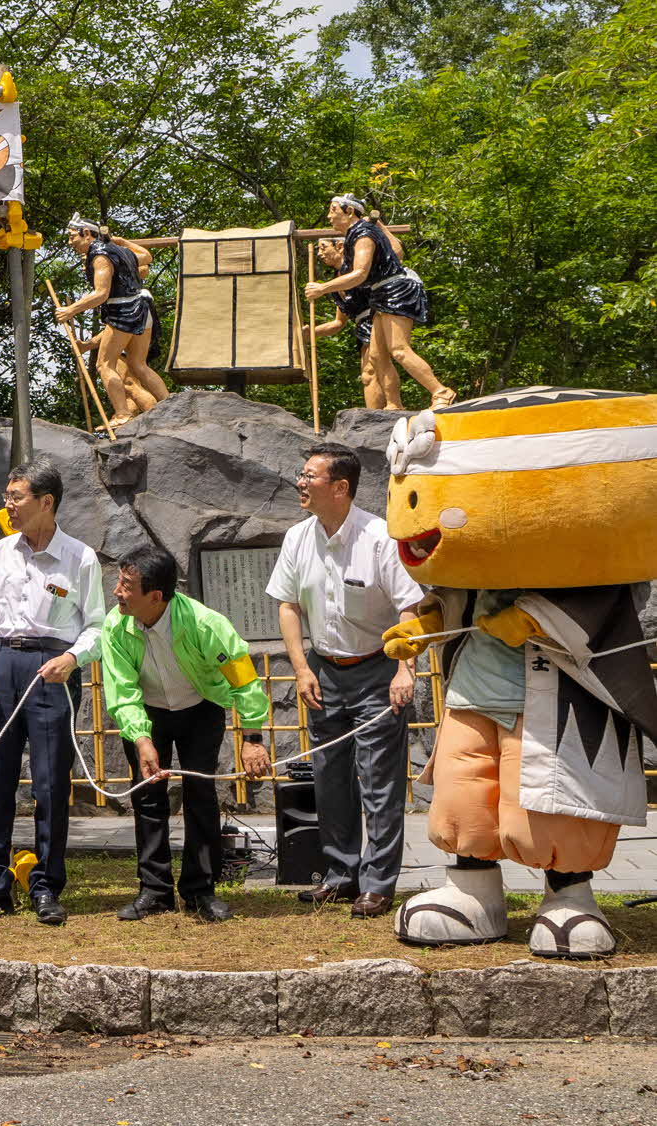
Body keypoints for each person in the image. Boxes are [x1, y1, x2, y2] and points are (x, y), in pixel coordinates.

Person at [265, 443, 424, 917]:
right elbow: (288, 604)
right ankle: (339, 875)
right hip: (323, 671)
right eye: (301, 473)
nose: (300, 482)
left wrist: (405, 668)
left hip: (377, 669)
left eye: (309, 476)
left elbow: (410, 608)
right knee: (329, 778)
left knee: (379, 782)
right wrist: (300, 668)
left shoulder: (379, 536)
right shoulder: (297, 537)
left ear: (341, 487)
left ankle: (377, 883)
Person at [0, 457, 106, 927]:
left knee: (49, 783)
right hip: (1, 666)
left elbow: (99, 627)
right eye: (7, 497)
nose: (8, 506)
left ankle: (45, 885)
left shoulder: (80, 557)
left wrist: (72, 659)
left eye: (16, 497)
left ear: (47, 502)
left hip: (52, 671)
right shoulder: (1, 552)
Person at [100, 544, 273, 922]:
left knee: (201, 795)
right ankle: (154, 891)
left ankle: (200, 891)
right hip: (148, 714)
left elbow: (244, 679)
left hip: (201, 709)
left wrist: (253, 737)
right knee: (148, 797)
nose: (117, 592)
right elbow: (121, 689)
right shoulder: (115, 624)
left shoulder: (205, 624)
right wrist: (140, 737)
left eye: (127, 585)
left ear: (156, 596)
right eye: (119, 581)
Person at [303, 195, 455, 409]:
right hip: (380, 294)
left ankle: (441, 393)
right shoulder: (353, 239)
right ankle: (394, 406)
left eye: (333, 209)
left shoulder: (363, 233)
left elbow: (360, 273)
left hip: (395, 289)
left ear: (349, 212)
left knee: (399, 349)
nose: (329, 216)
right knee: (376, 356)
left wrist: (322, 288)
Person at [56, 216, 169, 424]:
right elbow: (146, 256)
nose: (70, 242)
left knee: (105, 365)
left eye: (73, 237)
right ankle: (171, 406)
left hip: (124, 311)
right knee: (138, 364)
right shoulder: (121, 251)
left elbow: (101, 293)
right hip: (142, 310)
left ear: (87, 234)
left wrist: (70, 310)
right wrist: (123, 242)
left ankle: (122, 414)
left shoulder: (99, 254)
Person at [310, 238, 394, 410]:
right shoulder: (334, 283)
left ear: (340, 246)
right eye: (318, 249)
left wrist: (322, 288)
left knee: (375, 367)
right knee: (367, 375)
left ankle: (390, 408)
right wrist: (310, 332)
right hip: (362, 325)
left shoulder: (359, 267)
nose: (319, 253)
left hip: (377, 316)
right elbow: (338, 323)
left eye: (323, 247)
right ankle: (375, 415)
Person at [77, 325, 159, 424]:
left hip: (127, 340)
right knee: (127, 392)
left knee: (129, 385)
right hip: (140, 333)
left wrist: (88, 345)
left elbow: (116, 325)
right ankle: (129, 423)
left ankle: (156, 420)